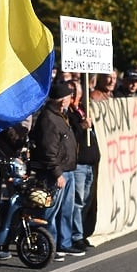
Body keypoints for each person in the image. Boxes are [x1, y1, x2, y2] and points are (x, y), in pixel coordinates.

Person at [29, 80, 81, 261]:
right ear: (61, 100)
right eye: (68, 97)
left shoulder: (60, 116)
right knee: (51, 211)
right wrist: (57, 173)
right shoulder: (49, 119)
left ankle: (63, 244)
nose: (70, 100)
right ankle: (48, 245)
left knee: (66, 210)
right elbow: (48, 151)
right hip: (56, 174)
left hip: (67, 170)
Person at [67, 79, 99, 250]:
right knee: (77, 202)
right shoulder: (69, 114)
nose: (73, 95)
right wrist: (82, 126)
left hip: (89, 164)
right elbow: (70, 136)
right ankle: (76, 235)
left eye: (76, 91)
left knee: (85, 201)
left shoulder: (83, 109)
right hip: (79, 164)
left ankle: (81, 232)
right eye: (70, 92)